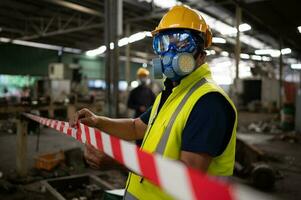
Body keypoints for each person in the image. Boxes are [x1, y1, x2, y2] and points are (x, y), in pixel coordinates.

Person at [70, 5, 237, 200]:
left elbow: (188, 175)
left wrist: (119, 159)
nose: (169, 53)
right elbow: (134, 127)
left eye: (182, 43)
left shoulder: (209, 102)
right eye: (162, 43)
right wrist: (98, 121)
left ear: (201, 55)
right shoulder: (171, 94)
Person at [127, 67, 155, 146]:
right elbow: (129, 104)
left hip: (149, 119)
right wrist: (138, 107)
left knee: (147, 141)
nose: (143, 78)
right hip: (138, 118)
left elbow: (156, 104)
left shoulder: (150, 91)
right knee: (139, 142)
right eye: (141, 76)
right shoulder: (134, 92)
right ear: (138, 78)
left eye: (144, 76)